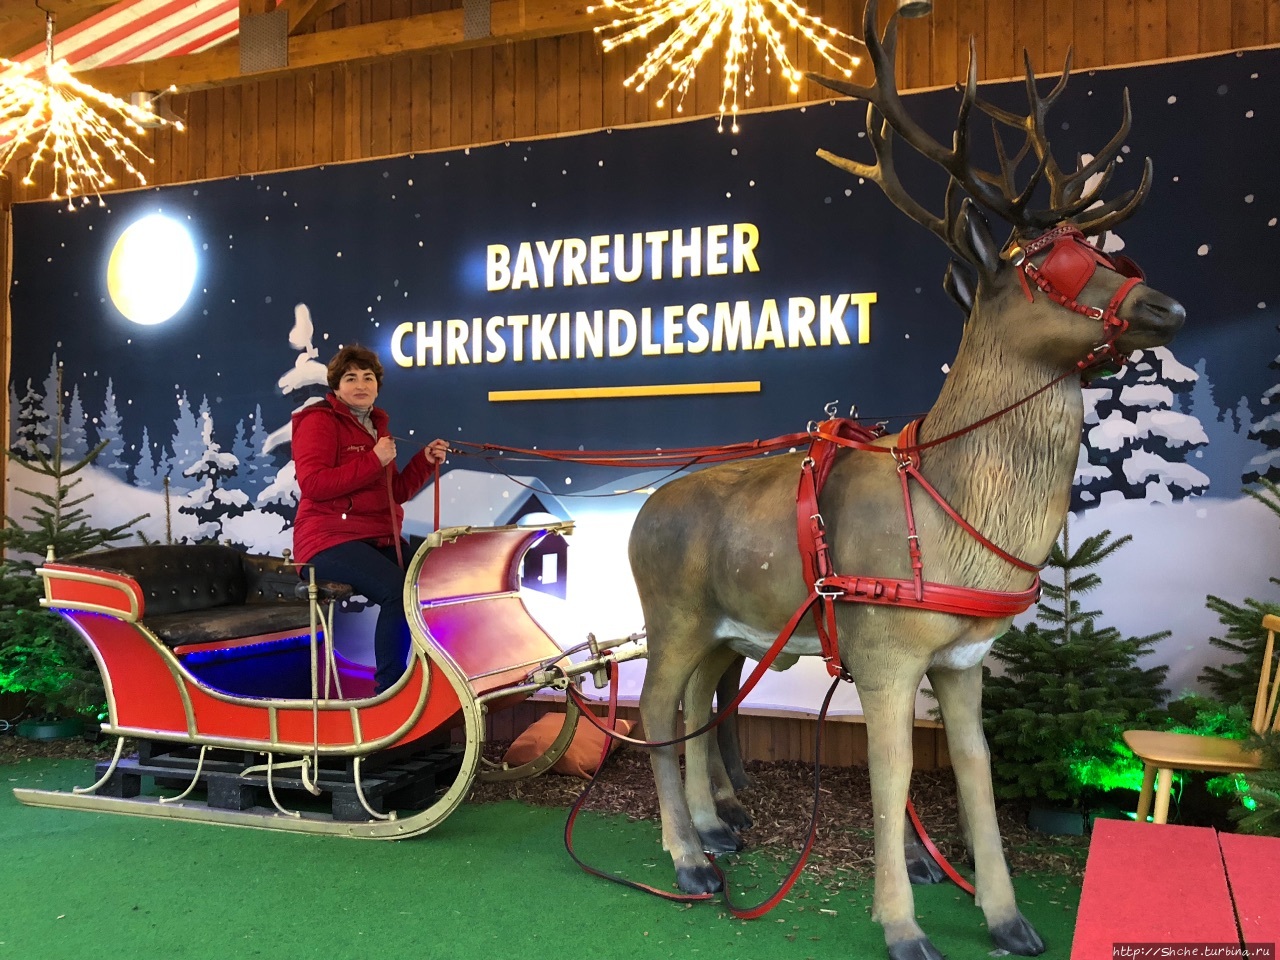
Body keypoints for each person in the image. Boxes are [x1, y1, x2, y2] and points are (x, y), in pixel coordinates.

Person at [291, 344, 449, 694]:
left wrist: (424, 460)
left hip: (375, 537)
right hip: (326, 540)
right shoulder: (318, 421)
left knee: (432, 584)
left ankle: (430, 680)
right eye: (351, 378)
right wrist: (373, 460)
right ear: (335, 386)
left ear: (377, 385)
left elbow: (396, 493)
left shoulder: (376, 426)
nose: (360, 385)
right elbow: (314, 484)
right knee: (397, 592)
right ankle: (390, 691)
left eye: (367, 378)